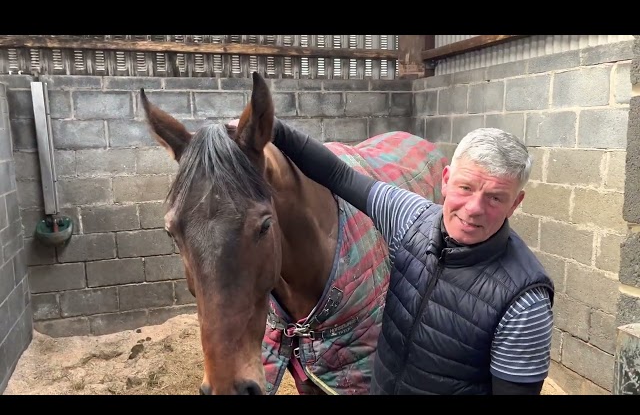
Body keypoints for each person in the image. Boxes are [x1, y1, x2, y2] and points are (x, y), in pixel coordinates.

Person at [230, 117, 555, 395]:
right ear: (445, 180)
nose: (474, 209)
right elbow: (338, 176)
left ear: (516, 202)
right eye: (466, 188)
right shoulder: (412, 219)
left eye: (496, 197)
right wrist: (272, 128)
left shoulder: (524, 303)